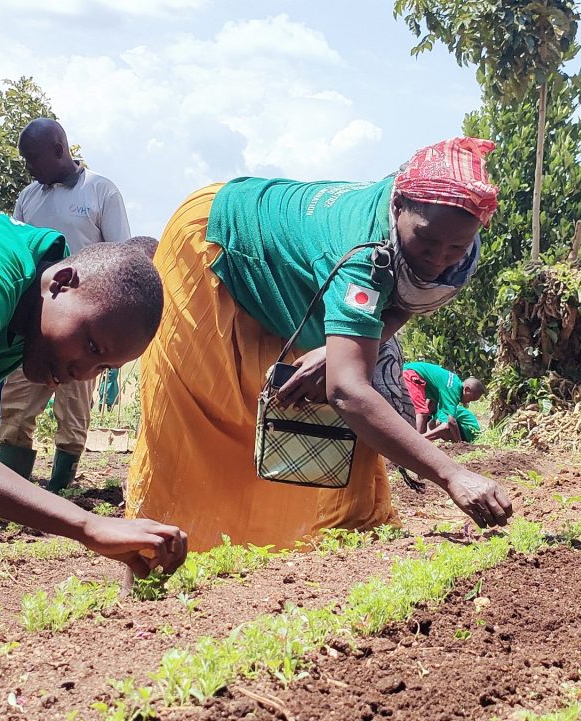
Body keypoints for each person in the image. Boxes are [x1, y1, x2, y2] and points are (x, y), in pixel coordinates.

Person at [126, 137, 513, 555]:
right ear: (397, 208)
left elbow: (404, 300)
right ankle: (150, 556)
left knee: (317, 408)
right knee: (200, 429)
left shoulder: (456, 243)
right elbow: (348, 391)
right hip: (217, 247)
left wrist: (336, 353)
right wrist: (452, 474)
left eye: (455, 247)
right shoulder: (363, 254)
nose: (440, 258)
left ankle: (338, 552)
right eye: (427, 242)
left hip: (297, 277)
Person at [0, 163, 187, 664]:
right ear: (62, 282)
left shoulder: (24, 316)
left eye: (102, 366)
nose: (81, 371)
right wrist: (88, 526)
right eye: (90, 344)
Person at [0, 118, 132, 493]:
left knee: (72, 415)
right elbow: (19, 255)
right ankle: (11, 491)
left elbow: (120, 259)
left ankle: (58, 490)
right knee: (17, 408)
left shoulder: (101, 191)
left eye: (32, 158)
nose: (27, 167)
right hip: (36, 324)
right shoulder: (28, 197)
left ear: (59, 149)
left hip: (85, 327)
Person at [402, 361, 485, 443]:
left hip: (412, 371)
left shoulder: (454, 383)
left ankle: (419, 440)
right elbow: (451, 422)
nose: (469, 402)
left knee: (425, 413)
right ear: (467, 390)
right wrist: (459, 442)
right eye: (471, 398)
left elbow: (431, 404)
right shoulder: (454, 390)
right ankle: (417, 442)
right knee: (422, 412)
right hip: (413, 374)